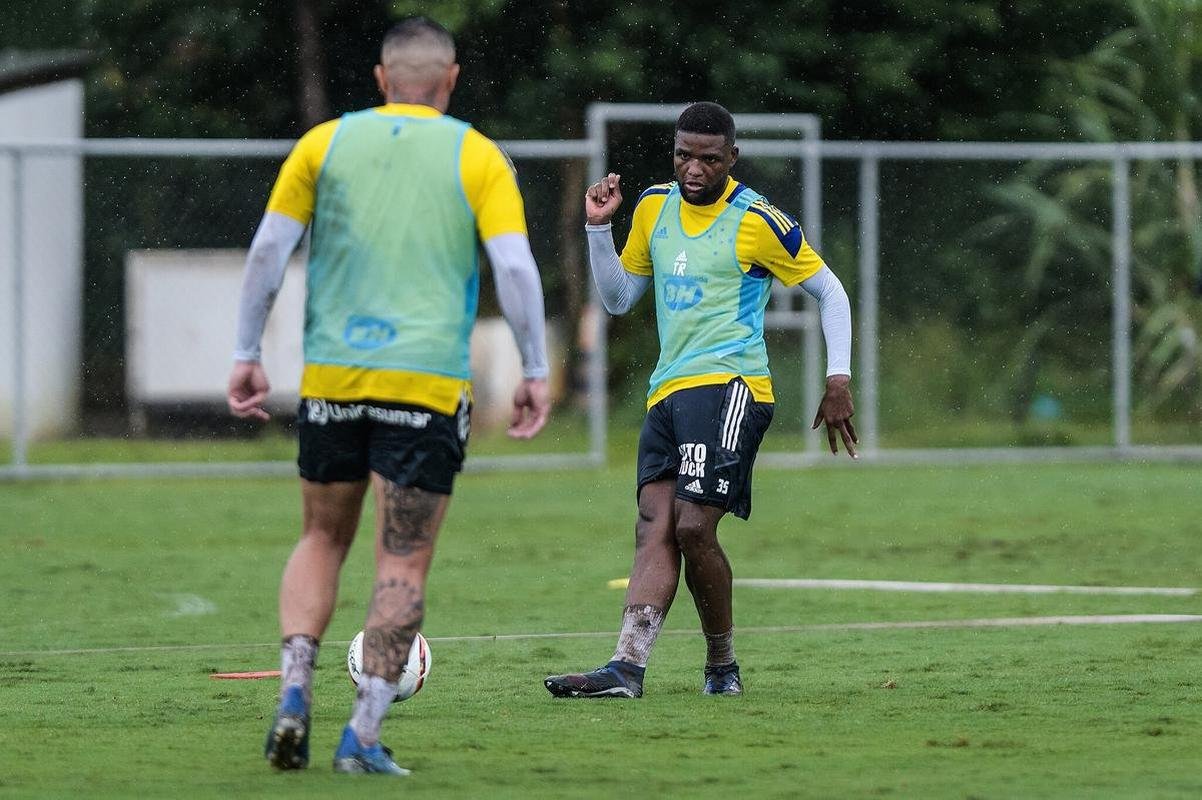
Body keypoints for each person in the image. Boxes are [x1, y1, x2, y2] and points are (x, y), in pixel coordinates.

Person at [227, 17, 550, 774]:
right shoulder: (477, 154)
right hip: (427, 385)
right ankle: (362, 736)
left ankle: (294, 695)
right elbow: (516, 267)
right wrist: (535, 367)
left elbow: (269, 250)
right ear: (451, 79)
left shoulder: (323, 144)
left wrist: (246, 352)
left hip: (334, 378)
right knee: (400, 560)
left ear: (380, 79)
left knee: (320, 538)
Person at [544, 101, 855, 699]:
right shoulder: (654, 205)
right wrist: (597, 229)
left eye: (709, 159)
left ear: (731, 159)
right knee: (653, 527)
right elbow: (616, 298)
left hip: (732, 387)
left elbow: (830, 292)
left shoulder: (758, 220)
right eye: (685, 154)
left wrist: (837, 379)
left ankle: (721, 665)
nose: (694, 168)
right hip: (668, 392)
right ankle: (626, 669)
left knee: (692, 526)